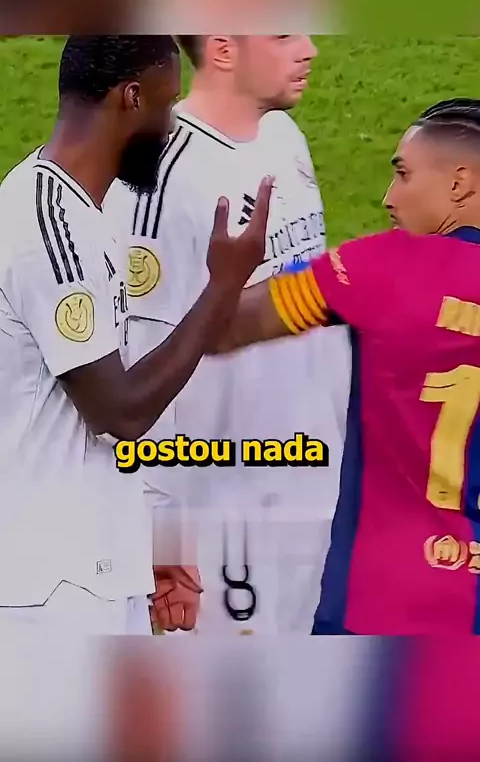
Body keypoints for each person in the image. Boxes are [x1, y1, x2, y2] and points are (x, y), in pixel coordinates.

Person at [0, 35, 272, 634]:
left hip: (92, 567)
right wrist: (223, 288)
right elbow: (119, 411)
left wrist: (144, 542)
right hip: (49, 587)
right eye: (165, 105)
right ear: (130, 97)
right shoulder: (47, 227)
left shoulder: (85, 215)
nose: (170, 128)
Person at [207, 97, 480, 635]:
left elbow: (222, 329)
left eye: (404, 174)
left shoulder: (385, 267)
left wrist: (225, 281)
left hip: (383, 602)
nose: (388, 197)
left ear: (459, 183)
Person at [109, 34, 351, 634]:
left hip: (314, 479)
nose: (309, 49)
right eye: (283, 35)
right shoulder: (158, 177)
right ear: (222, 49)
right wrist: (164, 531)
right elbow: (141, 367)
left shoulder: (282, 136)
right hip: (227, 512)